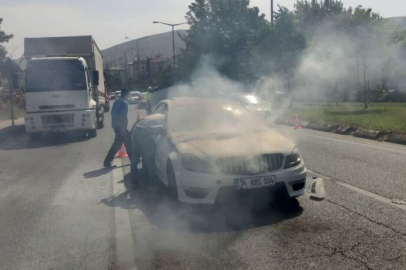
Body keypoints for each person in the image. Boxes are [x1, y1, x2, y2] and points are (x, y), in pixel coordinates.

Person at [104, 88, 133, 168]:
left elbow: (113, 114)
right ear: (126, 95)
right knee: (126, 143)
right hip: (121, 126)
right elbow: (122, 116)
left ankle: (107, 161)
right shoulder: (124, 103)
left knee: (121, 143)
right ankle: (133, 161)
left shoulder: (116, 101)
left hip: (116, 126)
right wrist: (123, 129)